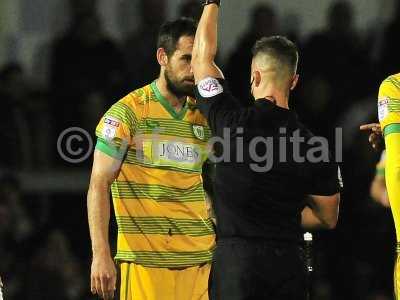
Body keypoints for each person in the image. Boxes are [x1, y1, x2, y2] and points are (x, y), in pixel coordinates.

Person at [191, 1, 341, 299]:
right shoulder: (314, 146)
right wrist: (278, 215)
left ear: (254, 77)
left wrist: (212, 3)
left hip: (237, 264)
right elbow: (328, 217)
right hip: (288, 266)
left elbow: (200, 59)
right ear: (294, 81)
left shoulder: (229, 121)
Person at [87, 18, 215, 300]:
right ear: (162, 57)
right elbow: (98, 184)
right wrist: (101, 254)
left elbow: (211, 182)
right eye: (186, 59)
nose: (194, 69)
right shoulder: (128, 112)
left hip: (200, 261)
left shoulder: (204, 116)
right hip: (146, 262)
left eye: (200, 60)